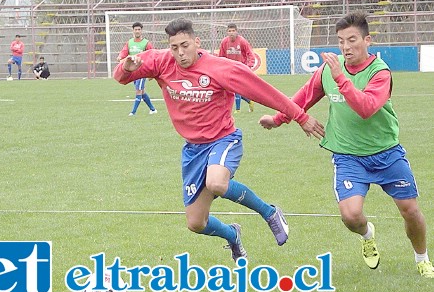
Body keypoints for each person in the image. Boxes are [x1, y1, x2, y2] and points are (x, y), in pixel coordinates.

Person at [114, 18, 325, 262]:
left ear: (197, 42)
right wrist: (127, 67)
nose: (180, 53)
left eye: (185, 45)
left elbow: (265, 92)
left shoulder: (220, 68)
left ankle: (269, 213)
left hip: (223, 139)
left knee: (216, 182)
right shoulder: (160, 60)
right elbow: (121, 77)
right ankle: (232, 235)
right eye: (175, 48)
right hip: (193, 150)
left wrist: (300, 116)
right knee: (196, 223)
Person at [259, 11, 434, 278]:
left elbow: (366, 108)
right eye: (341, 41)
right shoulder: (328, 70)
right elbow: (304, 96)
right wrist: (278, 119)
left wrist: (341, 77)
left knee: (410, 211)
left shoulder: (380, 73)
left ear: (367, 40)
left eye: (352, 40)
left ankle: (422, 258)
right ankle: (368, 235)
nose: (346, 46)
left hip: (386, 153)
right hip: (348, 156)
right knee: (351, 216)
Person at [117, 22, 157, 116]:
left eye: (139, 29)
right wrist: (120, 57)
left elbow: (153, 55)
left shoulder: (146, 43)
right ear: (133, 31)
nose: (137, 31)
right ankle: (152, 109)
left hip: (142, 70)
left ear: (141, 31)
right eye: (136, 29)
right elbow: (124, 52)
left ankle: (133, 112)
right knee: (142, 91)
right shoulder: (129, 42)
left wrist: (152, 72)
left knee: (138, 91)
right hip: (132, 71)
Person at [218, 23, 255, 113]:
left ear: (236, 31)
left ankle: (238, 110)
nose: (231, 33)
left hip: (240, 68)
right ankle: (249, 101)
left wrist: (249, 65)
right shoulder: (224, 42)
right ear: (227, 32)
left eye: (233, 31)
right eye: (229, 31)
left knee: (235, 88)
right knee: (231, 89)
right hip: (228, 68)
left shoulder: (242, 41)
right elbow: (221, 56)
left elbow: (250, 54)